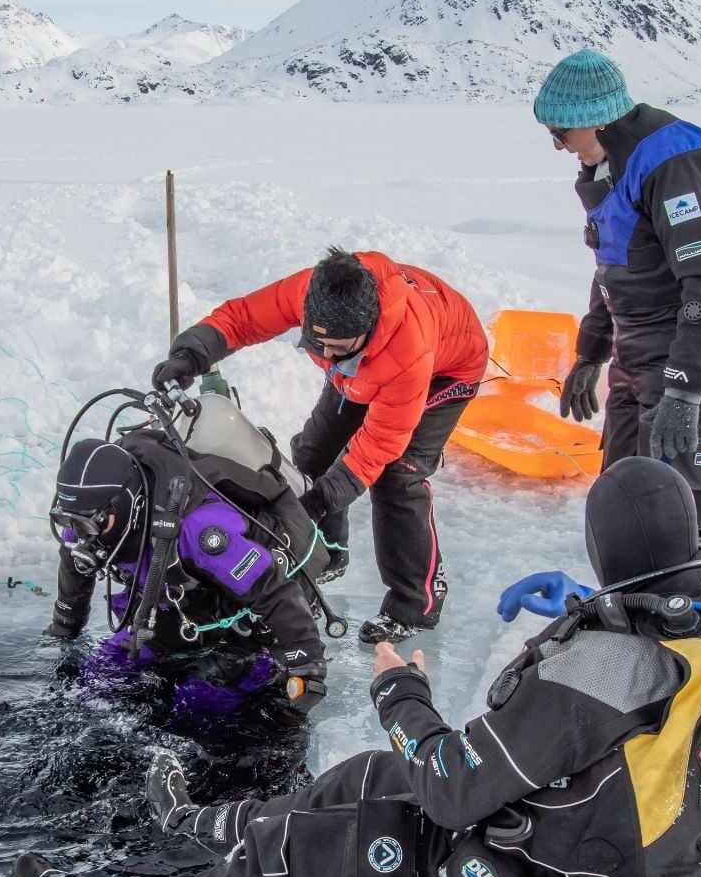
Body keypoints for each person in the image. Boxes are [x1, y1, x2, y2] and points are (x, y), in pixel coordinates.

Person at [21, 459, 701, 877]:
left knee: (314, 846)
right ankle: (207, 823)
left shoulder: (604, 668)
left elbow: (451, 790)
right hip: (587, 846)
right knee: (363, 775)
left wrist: (399, 689)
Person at [151, 248, 488, 644]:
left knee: (398, 477)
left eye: (338, 348)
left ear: (367, 330)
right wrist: (190, 355)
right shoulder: (314, 291)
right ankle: (326, 550)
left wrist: (324, 498)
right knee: (311, 453)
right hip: (365, 371)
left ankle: (417, 602)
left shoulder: (408, 350)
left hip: (445, 372)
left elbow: (379, 445)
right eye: (316, 344)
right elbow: (243, 318)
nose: (326, 356)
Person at [536, 48, 701, 533]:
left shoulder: (676, 165)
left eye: (560, 132)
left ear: (596, 120)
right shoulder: (608, 167)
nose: (557, 145)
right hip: (641, 352)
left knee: (677, 518)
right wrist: (591, 353)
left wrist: (685, 393)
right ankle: (625, 603)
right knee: (622, 502)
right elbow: (614, 266)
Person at [46, 429, 329, 716]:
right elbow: (74, 564)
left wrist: (307, 665)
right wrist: (65, 626)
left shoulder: (200, 530)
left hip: (240, 620)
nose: (80, 537)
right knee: (95, 682)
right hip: (174, 606)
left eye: (88, 526)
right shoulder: (85, 516)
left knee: (199, 709)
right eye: (67, 521)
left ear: (125, 504)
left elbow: (272, 589)